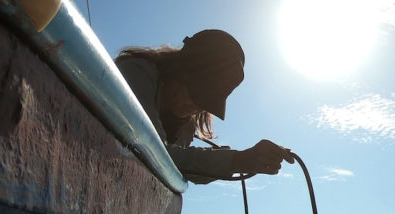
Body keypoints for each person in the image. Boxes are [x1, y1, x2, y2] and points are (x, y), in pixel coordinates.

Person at [115, 30, 294, 184]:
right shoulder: (135, 73)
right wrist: (238, 160)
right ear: (175, 69)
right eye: (191, 93)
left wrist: (241, 160)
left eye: (203, 102)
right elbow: (155, 152)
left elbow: (181, 168)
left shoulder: (187, 127)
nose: (192, 106)